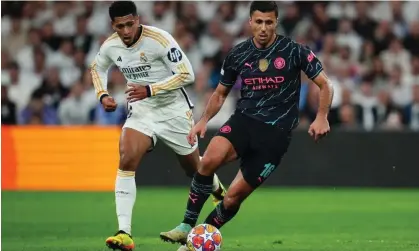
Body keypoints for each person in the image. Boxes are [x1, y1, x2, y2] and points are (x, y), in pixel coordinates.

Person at [159, 1, 334, 250]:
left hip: (275, 136)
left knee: (232, 199)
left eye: (269, 22)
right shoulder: (238, 54)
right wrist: (203, 121)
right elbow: (220, 93)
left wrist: (322, 116)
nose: (264, 28)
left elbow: (325, 84)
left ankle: (194, 243)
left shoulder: (295, 51)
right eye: (259, 22)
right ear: (250, 22)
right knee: (207, 160)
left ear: (276, 22)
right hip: (244, 122)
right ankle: (186, 225)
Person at [90, 2, 226, 251]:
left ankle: (216, 186)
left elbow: (187, 74)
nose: (126, 30)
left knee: (194, 170)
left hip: (173, 111)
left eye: (130, 24)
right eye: (120, 26)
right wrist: (102, 94)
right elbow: (97, 67)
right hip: (142, 112)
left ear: (138, 19)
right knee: (126, 158)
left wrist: (150, 89)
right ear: (114, 26)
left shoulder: (160, 39)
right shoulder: (111, 46)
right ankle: (124, 233)